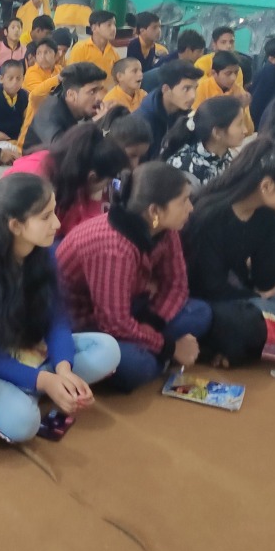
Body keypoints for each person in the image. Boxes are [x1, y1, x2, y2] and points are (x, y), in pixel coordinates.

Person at [0, 174, 120, 442]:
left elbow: (56, 319)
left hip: (19, 344)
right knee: (23, 422)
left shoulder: (44, 251)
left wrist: (64, 369)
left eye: (54, 211)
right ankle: (27, 387)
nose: (57, 223)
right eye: (45, 217)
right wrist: (45, 380)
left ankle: (27, 385)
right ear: (16, 226)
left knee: (108, 349)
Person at [57, 162, 211, 392]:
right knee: (137, 366)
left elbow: (176, 285)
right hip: (85, 323)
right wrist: (169, 347)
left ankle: (152, 353)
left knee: (200, 312)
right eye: (183, 201)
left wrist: (151, 323)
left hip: (129, 307)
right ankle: (156, 359)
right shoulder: (114, 247)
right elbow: (113, 323)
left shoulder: (165, 230)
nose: (190, 208)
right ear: (154, 211)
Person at [183, 137, 275, 305]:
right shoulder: (211, 217)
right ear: (267, 186)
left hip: (234, 293)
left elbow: (265, 281)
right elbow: (209, 287)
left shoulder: (267, 215)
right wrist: (254, 297)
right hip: (200, 299)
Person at [10, 122, 129, 237]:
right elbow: (85, 234)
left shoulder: (69, 169)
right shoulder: (42, 183)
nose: (104, 189)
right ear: (92, 178)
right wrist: (95, 202)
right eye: (107, 182)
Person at [162, 95, 245, 189]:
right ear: (217, 133)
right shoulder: (186, 170)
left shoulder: (226, 156)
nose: (245, 130)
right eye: (239, 124)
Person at [21, 61, 105, 153]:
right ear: (71, 95)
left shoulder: (88, 110)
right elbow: (61, 149)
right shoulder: (49, 113)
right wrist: (92, 123)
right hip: (38, 160)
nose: (99, 97)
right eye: (92, 92)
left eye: (100, 90)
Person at [135, 60, 202, 160]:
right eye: (186, 89)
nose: (193, 96)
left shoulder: (188, 117)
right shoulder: (142, 121)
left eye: (195, 88)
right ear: (166, 89)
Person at [65, 9, 118, 90]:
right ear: (94, 28)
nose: (114, 28)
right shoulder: (80, 48)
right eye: (109, 25)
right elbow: (72, 77)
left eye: (114, 24)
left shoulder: (114, 52)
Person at [0, 60, 29, 143]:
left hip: (15, 140)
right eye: (10, 78)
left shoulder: (24, 96)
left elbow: (27, 121)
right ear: (1, 79)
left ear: (23, 79)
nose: (15, 82)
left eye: (18, 78)